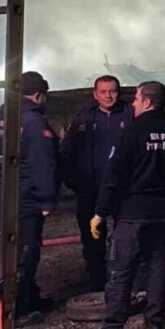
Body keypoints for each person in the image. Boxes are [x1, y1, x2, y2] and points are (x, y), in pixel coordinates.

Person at [88, 81, 165, 329]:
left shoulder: (131, 134)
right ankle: (154, 326)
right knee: (159, 270)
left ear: (147, 102)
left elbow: (113, 177)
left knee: (121, 271)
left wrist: (100, 212)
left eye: (137, 99)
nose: (133, 103)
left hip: (132, 215)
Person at [0, 71, 60, 326]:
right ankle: (17, 311)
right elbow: (43, 164)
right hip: (26, 198)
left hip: (2, 194)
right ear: (38, 94)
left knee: (12, 251)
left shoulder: (2, 116)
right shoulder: (34, 122)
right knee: (26, 254)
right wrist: (47, 200)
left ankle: (30, 297)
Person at [60, 75, 134, 291]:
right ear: (95, 94)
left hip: (123, 190)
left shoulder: (131, 116)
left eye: (112, 91)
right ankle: (97, 280)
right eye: (103, 92)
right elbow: (67, 152)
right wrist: (74, 182)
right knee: (92, 238)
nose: (108, 96)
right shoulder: (83, 120)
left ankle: (126, 279)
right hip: (90, 190)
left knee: (126, 237)